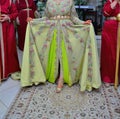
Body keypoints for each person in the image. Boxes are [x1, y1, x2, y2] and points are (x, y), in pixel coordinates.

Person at [14, 0, 101, 92]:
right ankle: (54, 74)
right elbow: (46, 18)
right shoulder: (49, 2)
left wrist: (83, 23)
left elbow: (74, 18)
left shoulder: (69, 1)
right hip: (52, 31)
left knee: (65, 53)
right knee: (54, 53)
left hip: (67, 30)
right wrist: (34, 21)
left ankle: (62, 78)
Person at [100, 0, 120, 86]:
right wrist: (115, 1)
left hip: (119, 28)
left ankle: (118, 77)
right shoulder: (109, 2)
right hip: (109, 29)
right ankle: (108, 78)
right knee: (108, 52)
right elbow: (106, 12)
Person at [0, 0, 20, 82]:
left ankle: (10, 70)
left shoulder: (9, 1)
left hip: (8, 27)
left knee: (10, 48)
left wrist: (8, 17)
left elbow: (15, 13)